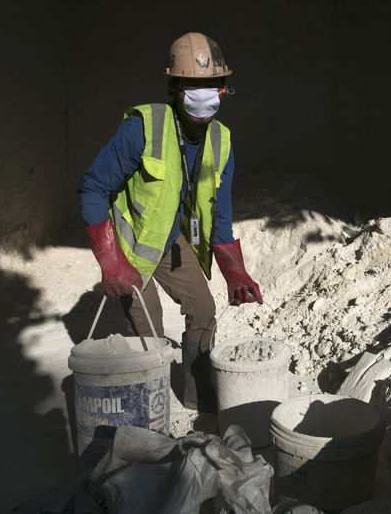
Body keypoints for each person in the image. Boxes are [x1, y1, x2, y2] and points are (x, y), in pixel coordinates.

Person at [78, 32, 262, 411]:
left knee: (204, 311)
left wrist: (235, 271)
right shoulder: (143, 128)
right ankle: (151, 408)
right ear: (175, 87)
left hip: (172, 242)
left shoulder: (221, 141)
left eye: (212, 84)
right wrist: (111, 260)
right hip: (131, 247)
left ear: (224, 89)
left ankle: (197, 399)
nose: (205, 93)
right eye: (194, 84)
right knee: (151, 337)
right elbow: (93, 188)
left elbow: (220, 212)